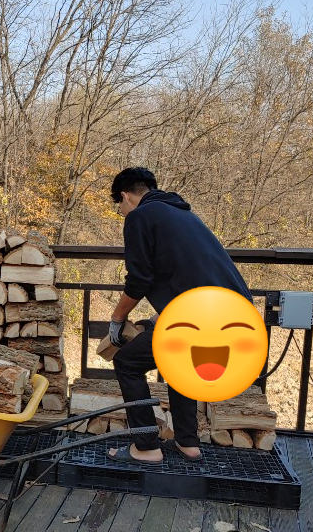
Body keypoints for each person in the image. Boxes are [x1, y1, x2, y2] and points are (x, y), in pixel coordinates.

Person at [106, 167, 253, 464]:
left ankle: (146, 447)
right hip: (237, 317)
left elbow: (139, 279)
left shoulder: (139, 217)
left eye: (119, 206)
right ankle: (187, 442)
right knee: (178, 362)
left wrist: (117, 319)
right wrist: (160, 318)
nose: (122, 213)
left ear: (125, 196)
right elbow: (188, 274)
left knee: (127, 362)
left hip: (204, 316)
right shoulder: (183, 215)